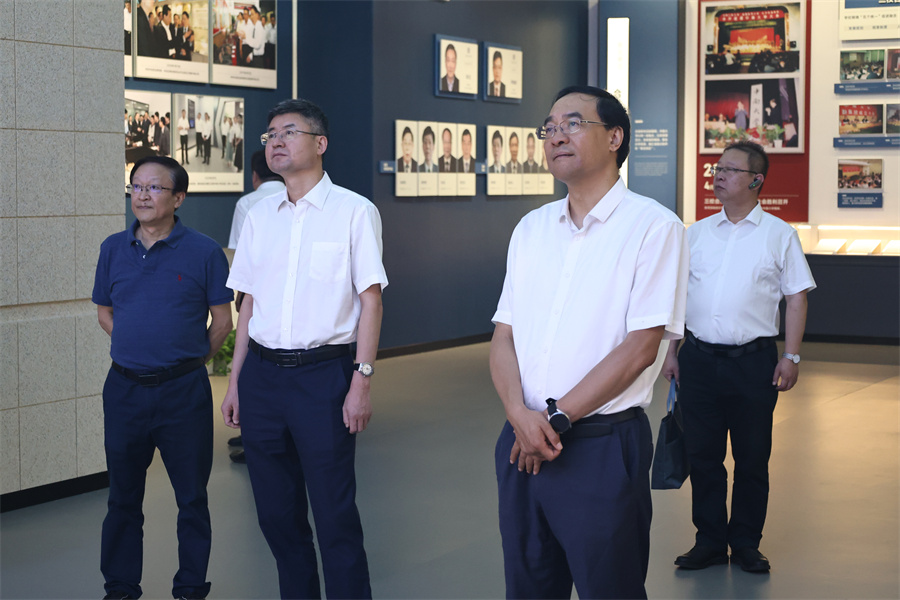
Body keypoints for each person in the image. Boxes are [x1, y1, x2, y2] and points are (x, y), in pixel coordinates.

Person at [490, 85, 688, 599]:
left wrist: (554, 420)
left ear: (615, 137)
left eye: (573, 124)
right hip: (521, 442)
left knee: (610, 588)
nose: (557, 136)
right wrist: (519, 416)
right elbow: (504, 335)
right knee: (528, 587)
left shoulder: (654, 227)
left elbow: (641, 347)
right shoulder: (531, 229)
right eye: (549, 127)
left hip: (599, 446)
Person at [222, 98, 388, 599]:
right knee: (276, 514)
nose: (275, 141)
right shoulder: (258, 216)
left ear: (320, 144)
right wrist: (235, 382)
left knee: (334, 513)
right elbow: (249, 304)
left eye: (288, 132)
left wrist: (361, 380)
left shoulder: (355, 211)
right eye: (270, 134)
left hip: (324, 377)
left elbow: (371, 301)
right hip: (262, 378)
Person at [664, 141, 815, 574]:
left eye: (730, 169)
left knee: (752, 459)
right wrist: (671, 352)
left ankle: (746, 542)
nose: (719, 175)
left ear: (756, 180)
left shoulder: (779, 235)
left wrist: (791, 356)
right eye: (718, 168)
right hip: (698, 360)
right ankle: (710, 541)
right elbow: (677, 297)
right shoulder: (696, 234)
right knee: (703, 457)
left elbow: (796, 298)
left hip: (753, 363)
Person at [94, 156, 233, 600]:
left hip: (183, 394)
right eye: (136, 186)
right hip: (124, 391)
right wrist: (135, 347)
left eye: (154, 188)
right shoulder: (112, 248)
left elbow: (222, 322)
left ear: (178, 198)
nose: (142, 195)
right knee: (122, 498)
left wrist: (186, 360)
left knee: (191, 498)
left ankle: (190, 587)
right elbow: (104, 311)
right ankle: (120, 587)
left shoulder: (204, 252)